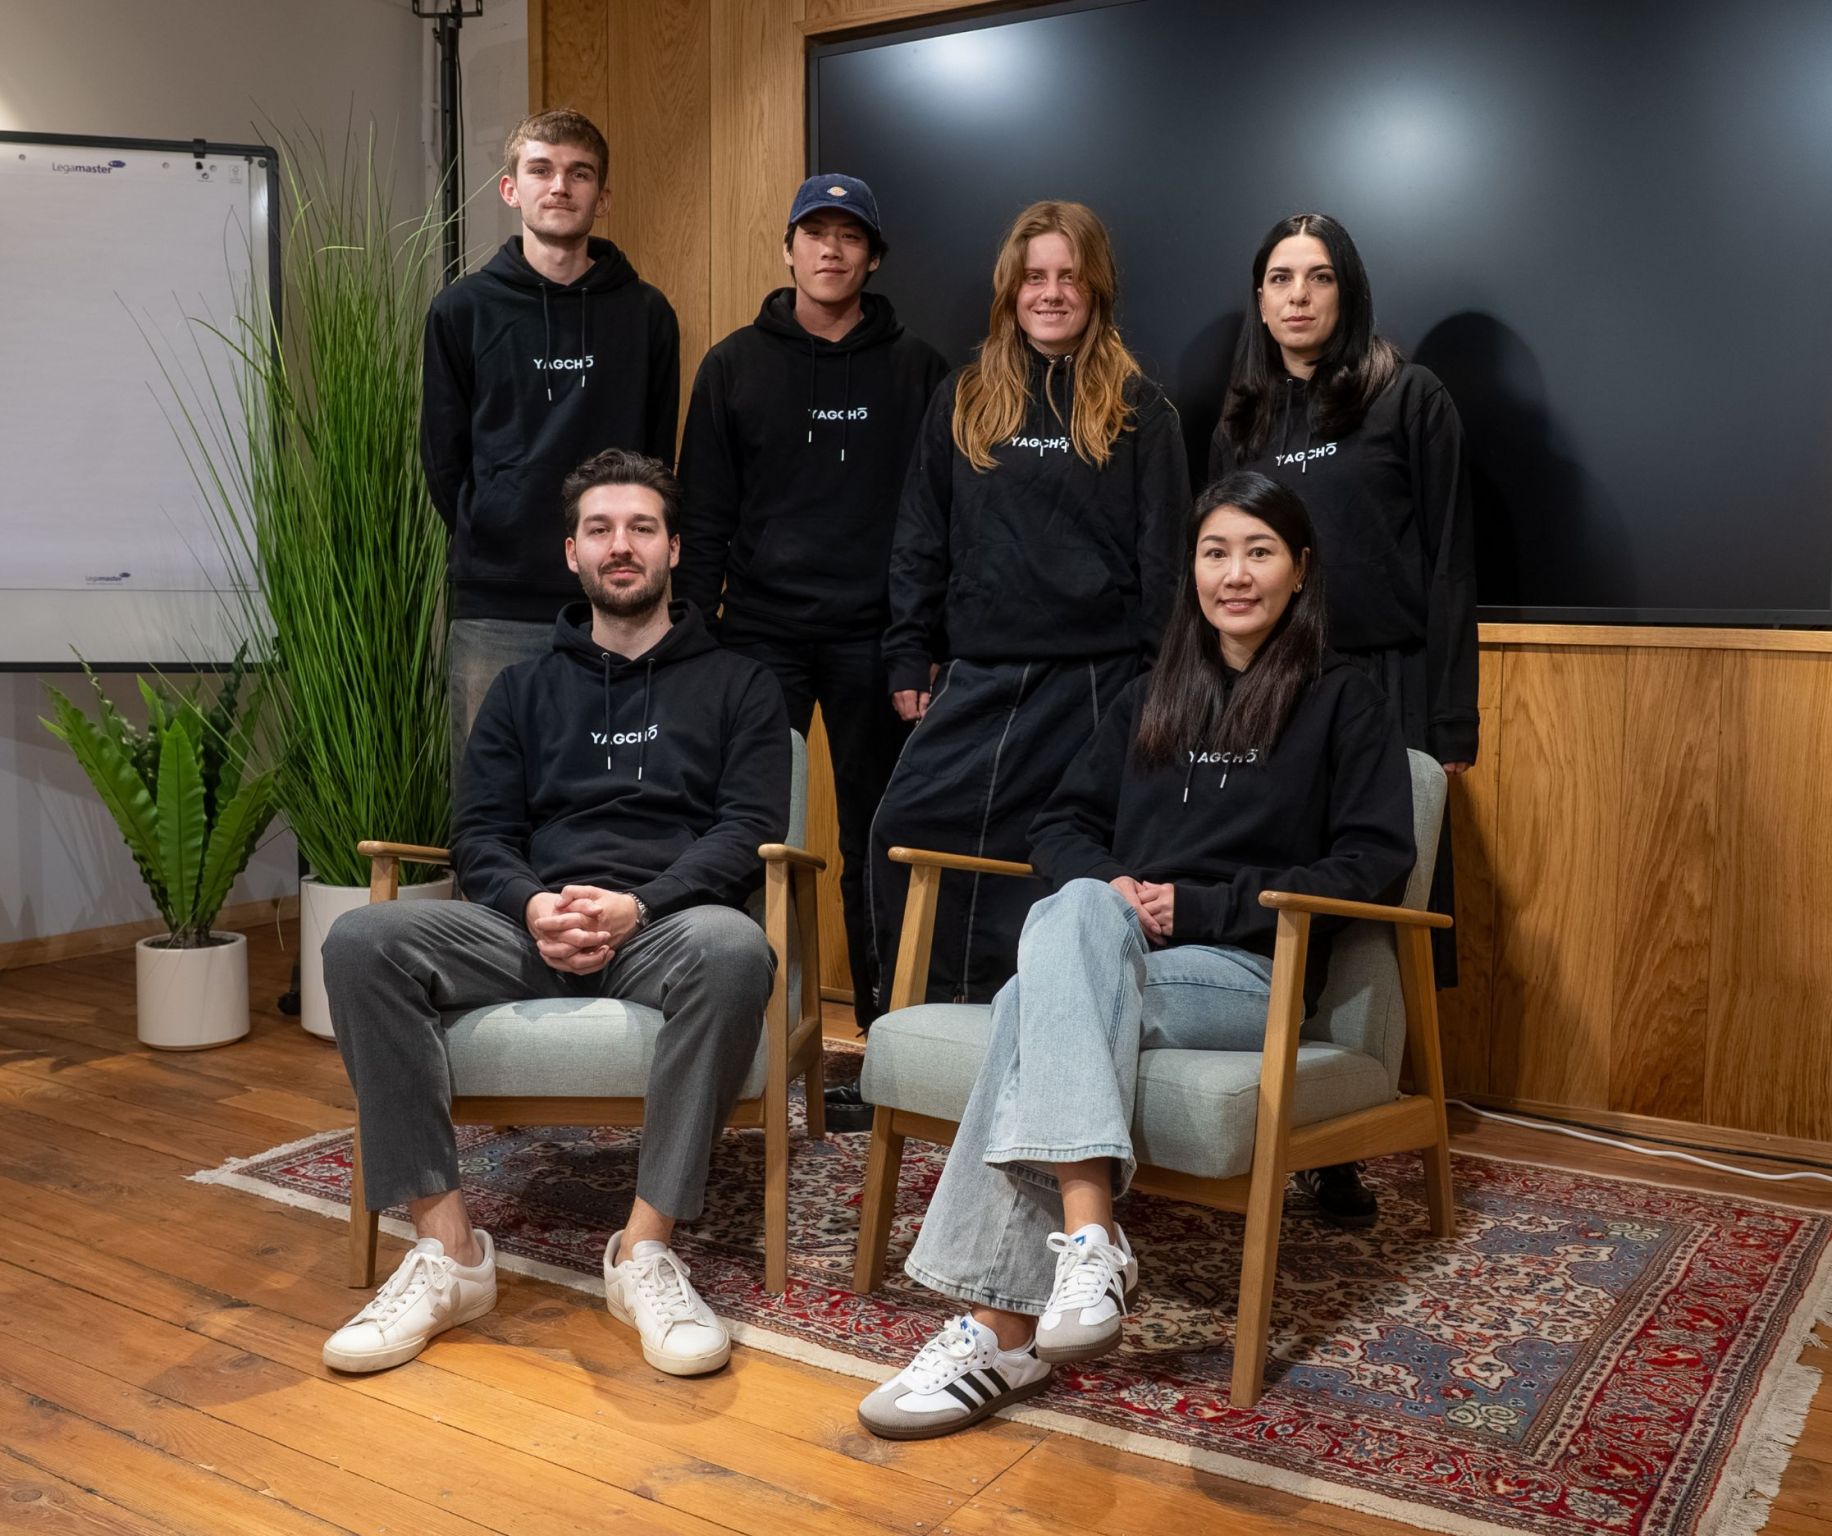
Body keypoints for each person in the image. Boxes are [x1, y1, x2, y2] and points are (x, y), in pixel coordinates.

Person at [857, 471, 1414, 1440]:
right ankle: (1066, 1265)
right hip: (1118, 959)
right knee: (1070, 919)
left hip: (1246, 975)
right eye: (1213, 552)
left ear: (1299, 571)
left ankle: (1010, 1313)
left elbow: (1373, 861)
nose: (1232, 574)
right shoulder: (1146, 696)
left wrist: (1195, 901)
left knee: (1042, 982)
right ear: (1189, 569)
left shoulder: (1343, 699)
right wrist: (1112, 892)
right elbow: (1062, 824)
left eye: (1257, 551)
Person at [319, 448, 789, 1380]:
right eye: (603, 530)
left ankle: (644, 1251)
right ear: (571, 553)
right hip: (527, 927)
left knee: (737, 947)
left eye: (642, 528)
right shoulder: (525, 690)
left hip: (666, 929)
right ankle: (449, 1255)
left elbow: (749, 829)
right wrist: (535, 906)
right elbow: (479, 832)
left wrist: (639, 904)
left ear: (675, 549)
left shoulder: (740, 684)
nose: (623, 547)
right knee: (361, 938)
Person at [1208, 212, 1477, 1227]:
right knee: (1286, 893)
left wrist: (1450, 723)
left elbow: (1450, 561)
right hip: (1272, 684)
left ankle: (1344, 1144)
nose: (1297, 295)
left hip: (1389, 679)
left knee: (1374, 909)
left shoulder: (1409, 398)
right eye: (1278, 276)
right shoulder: (1238, 418)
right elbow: (1220, 564)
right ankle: (1272, 1102)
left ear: (1345, 290)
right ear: (1259, 294)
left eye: (1318, 277)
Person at [871, 200, 1188, 1010]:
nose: (1051, 294)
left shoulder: (1140, 409)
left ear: (1097, 289)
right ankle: (920, 1021)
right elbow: (919, 535)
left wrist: (1161, 685)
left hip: (1099, 679)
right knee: (900, 830)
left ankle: (1035, 1023)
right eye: (1035, 278)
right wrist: (908, 649)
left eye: (1069, 277)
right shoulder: (964, 397)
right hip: (979, 675)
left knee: (1057, 857)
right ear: (1011, 290)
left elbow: (1165, 560)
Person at [676, 174, 947, 1032]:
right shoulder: (733, 366)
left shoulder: (919, 370)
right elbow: (704, 515)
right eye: (815, 233)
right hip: (761, 635)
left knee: (881, 834)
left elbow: (937, 520)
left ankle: (885, 1026)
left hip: (879, 640)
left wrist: (920, 641)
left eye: (849, 236)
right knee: (757, 835)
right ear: (788, 248)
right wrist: (693, 636)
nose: (831, 250)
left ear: (872, 256)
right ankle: (755, 1026)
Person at [422, 108, 682, 784]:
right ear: (512, 189)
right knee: (490, 789)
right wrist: (497, 524)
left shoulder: (647, 314)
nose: (559, 186)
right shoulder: (462, 311)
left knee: (613, 788)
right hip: (498, 599)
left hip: (617, 596)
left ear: (603, 196)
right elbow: (443, 457)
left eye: (579, 173)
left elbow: (656, 460)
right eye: (541, 170)